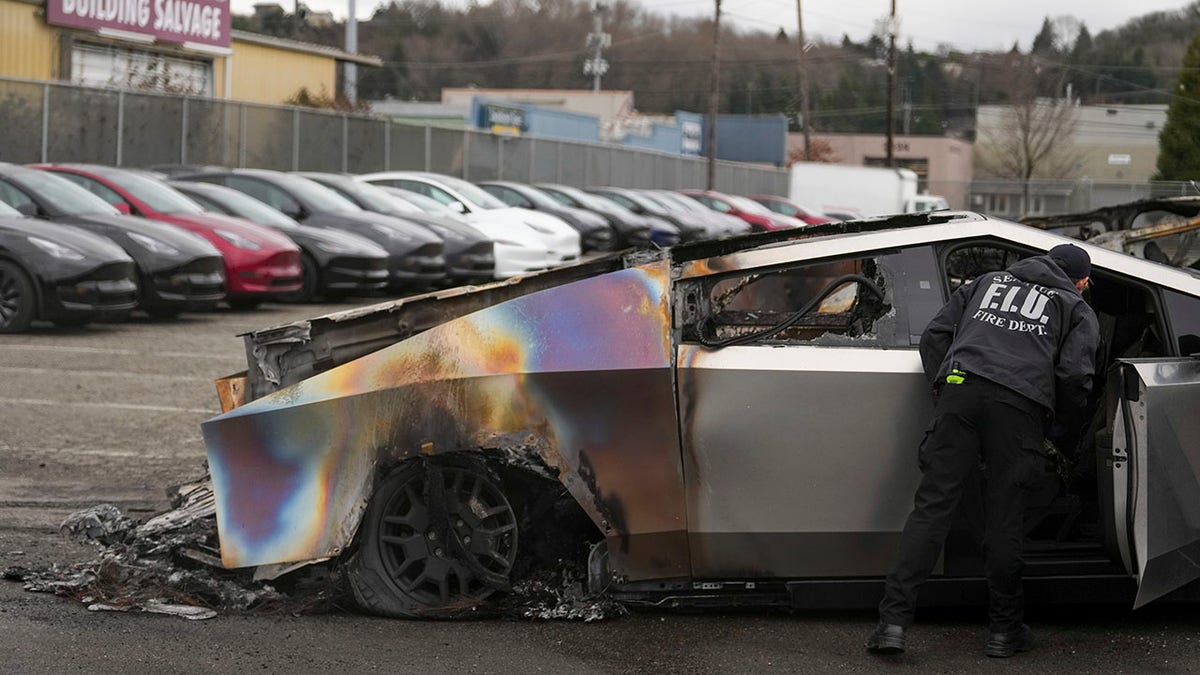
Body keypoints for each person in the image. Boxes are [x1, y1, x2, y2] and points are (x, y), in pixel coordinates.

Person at [866, 243, 1099, 658]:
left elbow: (936, 335)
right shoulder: (1075, 307)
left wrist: (946, 391)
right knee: (1004, 516)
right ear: (1080, 281)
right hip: (1018, 407)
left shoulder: (986, 283)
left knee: (932, 508)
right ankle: (1005, 632)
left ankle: (892, 625)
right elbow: (1075, 376)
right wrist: (1060, 428)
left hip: (961, 389)